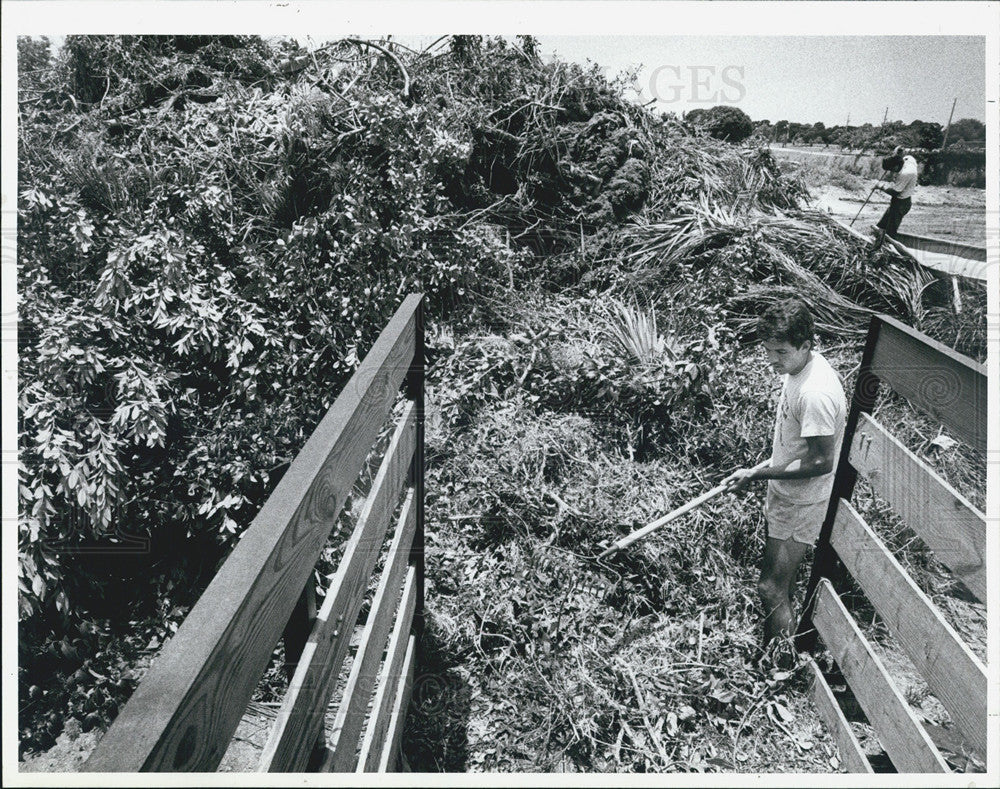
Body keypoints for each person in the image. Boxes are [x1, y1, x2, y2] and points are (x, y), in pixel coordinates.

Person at [725, 298, 846, 659]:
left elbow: (822, 461)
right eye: (767, 350)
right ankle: (778, 650)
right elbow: (800, 446)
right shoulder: (800, 371)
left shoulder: (815, 393)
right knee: (782, 585)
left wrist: (759, 473)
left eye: (780, 351)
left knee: (770, 588)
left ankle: (779, 665)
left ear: (806, 345)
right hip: (787, 493)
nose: (772, 360)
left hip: (800, 499)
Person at [872, 146, 918, 248]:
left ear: (897, 165)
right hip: (897, 201)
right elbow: (902, 153)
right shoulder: (908, 159)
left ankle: (886, 249)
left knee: (890, 232)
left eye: (892, 169)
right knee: (881, 226)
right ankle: (876, 241)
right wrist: (896, 153)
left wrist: (880, 186)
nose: (891, 172)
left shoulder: (905, 174)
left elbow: (895, 192)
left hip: (902, 203)